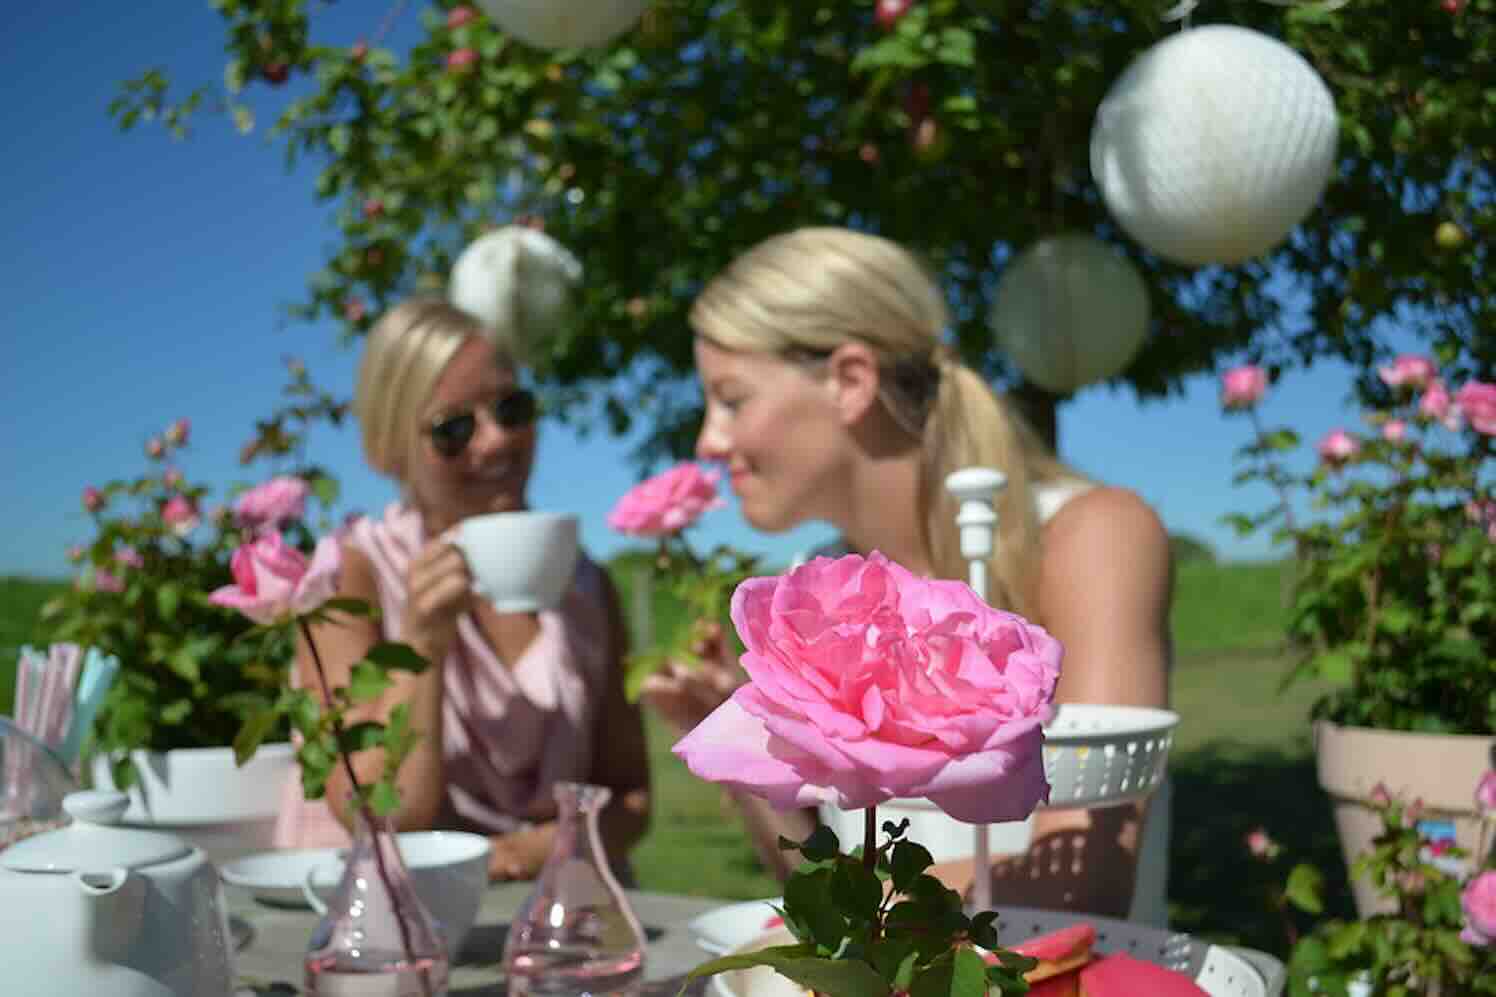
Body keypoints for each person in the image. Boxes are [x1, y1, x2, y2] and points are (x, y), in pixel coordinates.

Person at [641, 227, 1172, 921]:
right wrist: (748, 756)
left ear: (851, 381)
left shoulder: (1091, 536)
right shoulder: (815, 590)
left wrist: (844, 916)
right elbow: (815, 869)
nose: (707, 440)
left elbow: (1080, 883)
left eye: (732, 399)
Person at [274, 293, 651, 883]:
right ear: (389, 450)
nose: (497, 439)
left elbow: (630, 795)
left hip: (560, 918)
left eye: (512, 407)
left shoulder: (586, 584)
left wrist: (541, 849)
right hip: (387, 917)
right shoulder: (348, 580)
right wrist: (422, 643)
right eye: (454, 428)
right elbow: (378, 813)